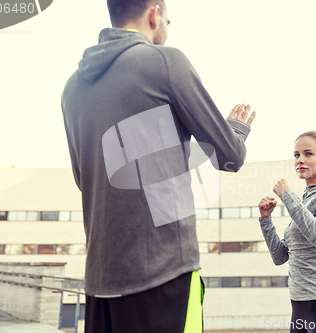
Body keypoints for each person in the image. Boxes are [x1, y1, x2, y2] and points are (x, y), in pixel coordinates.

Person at [60, 0, 256, 332]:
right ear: (154, 14)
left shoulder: (72, 89)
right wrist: (235, 129)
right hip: (165, 276)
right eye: (167, 18)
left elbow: (86, 179)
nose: (166, 25)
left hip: (99, 282)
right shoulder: (166, 62)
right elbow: (229, 156)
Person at [258, 131, 316, 333]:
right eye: (296, 155)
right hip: (299, 308)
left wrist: (288, 196)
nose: (300, 160)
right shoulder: (304, 201)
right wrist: (266, 219)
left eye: (308, 154)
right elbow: (280, 257)